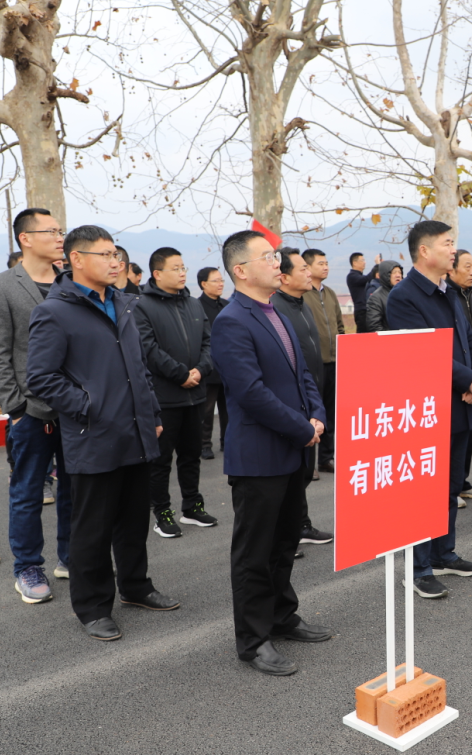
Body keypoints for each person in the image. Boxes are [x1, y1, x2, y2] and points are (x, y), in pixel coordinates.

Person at [27, 226, 179, 641]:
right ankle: (93, 607)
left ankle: (136, 586)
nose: (116, 262)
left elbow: (139, 367)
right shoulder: (55, 311)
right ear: (77, 259)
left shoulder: (125, 304)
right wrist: (88, 406)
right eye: (106, 254)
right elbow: (40, 378)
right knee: (92, 526)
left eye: (117, 255)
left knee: (133, 519)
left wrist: (150, 412)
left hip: (136, 430)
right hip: (93, 435)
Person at [213, 230, 333, 675]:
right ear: (240, 269)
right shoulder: (232, 320)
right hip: (261, 456)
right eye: (267, 256)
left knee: (284, 543)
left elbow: (303, 373)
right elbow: (250, 392)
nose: (277, 261)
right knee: (255, 552)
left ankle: (282, 617)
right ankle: (253, 639)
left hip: (294, 450)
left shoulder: (275, 311)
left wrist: (316, 415)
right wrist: (302, 427)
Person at [386, 221, 472, 598]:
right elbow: (421, 355)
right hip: (429, 409)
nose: (454, 251)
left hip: (461, 405)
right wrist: (467, 381)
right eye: (448, 244)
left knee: (447, 488)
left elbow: (470, 340)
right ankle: (419, 568)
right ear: (424, 251)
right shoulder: (405, 297)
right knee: (423, 493)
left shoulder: (449, 291)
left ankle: (445, 553)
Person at [0, 207, 73, 603]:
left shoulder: (71, 282)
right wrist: (16, 408)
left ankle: (72, 557)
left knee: (76, 488)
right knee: (28, 491)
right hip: (32, 411)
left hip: (76, 408)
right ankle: (28, 566)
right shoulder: (0, 285)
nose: (59, 237)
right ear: (25, 238)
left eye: (60, 230)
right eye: (50, 231)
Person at [135, 247, 217, 538]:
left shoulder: (194, 304)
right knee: (160, 460)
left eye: (184, 267)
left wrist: (200, 370)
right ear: (157, 274)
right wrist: (181, 374)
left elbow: (209, 342)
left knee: (191, 454)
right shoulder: (142, 305)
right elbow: (148, 349)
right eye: (176, 268)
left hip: (195, 394)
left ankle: (192, 506)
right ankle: (163, 512)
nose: (183, 272)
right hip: (165, 397)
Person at [271, 249, 334, 546]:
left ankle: (300, 524)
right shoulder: (275, 309)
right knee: (289, 474)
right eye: (303, 268)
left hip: (312, 398)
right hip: (289, 405)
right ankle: (286, 532)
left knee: (304, 472)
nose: (310, 273)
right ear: (283, 276)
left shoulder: (303, 304)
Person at [446, 249, 472, 504]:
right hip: (459, 380)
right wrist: (468, 381)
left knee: (469, 433)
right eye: (468, 266)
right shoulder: (449, 296)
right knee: (455, 437)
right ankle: (452, 486)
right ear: (452, 269)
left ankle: (461, 482)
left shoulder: (469, 296)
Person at [301, 249, 343, 474]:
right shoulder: (303, 294)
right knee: (311, 412)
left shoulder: (331, 293)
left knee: (329, 412)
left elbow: (339, 325)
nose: (326, 266)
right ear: (307, 267)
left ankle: (326, 459)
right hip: (312, 364)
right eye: (321, 263)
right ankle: (310, 462)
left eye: (327, 263)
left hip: (334, 362)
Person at [197, 266, 230, 459]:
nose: (220, 284)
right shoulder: (197, 306)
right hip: (209, 366)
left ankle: (227, 442)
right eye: (216, 281)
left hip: (228, 366)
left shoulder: (226, 305)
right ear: (203, 284)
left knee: (228, 409)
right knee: (207, 410)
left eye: (222, 281)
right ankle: (205, 445)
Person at [346, 251, 382, 333]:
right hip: (361, 311)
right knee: (363, 336)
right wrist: (377, 265)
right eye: (362, 260)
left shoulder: (359, 275)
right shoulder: (352, 276)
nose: (364, 262)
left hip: (367, 310)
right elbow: (366, 279)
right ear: (354, 263)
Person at [365, 260, 402, 332]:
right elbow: (374, 325)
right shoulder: (376, 298)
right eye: (394, 272)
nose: (398, 275)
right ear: (385, 275)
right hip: (389, 340)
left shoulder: (405, 293)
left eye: (400, 272)